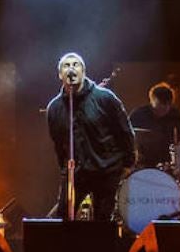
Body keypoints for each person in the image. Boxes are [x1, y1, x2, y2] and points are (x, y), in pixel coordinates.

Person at [46, 52, 136, 222]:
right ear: (60, 75)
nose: (71, 68)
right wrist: (65, 168)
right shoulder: (55, 107)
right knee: (64, 216)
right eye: (66, 65)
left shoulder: (105, 98)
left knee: (102, 220)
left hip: (106, 170)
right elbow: (58, 142)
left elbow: (124, 131)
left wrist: (128, 163)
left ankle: (100, 249)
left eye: (76, 64)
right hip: (76, 172)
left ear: (83, 71)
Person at [128, 83, 180, 169]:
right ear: (152, 100)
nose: (165, 107)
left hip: (168, 162)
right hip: (143, 162)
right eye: (161, 104)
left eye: (168, 104)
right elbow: (127, 139)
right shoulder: (138, 115)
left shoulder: (175, 115)